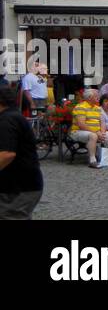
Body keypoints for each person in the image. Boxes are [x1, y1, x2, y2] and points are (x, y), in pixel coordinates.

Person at [0, 85, 43, 219]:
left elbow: (7, 154)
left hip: (19, 188)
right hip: (18, 185)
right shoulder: (11, 117)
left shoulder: (7, 120)